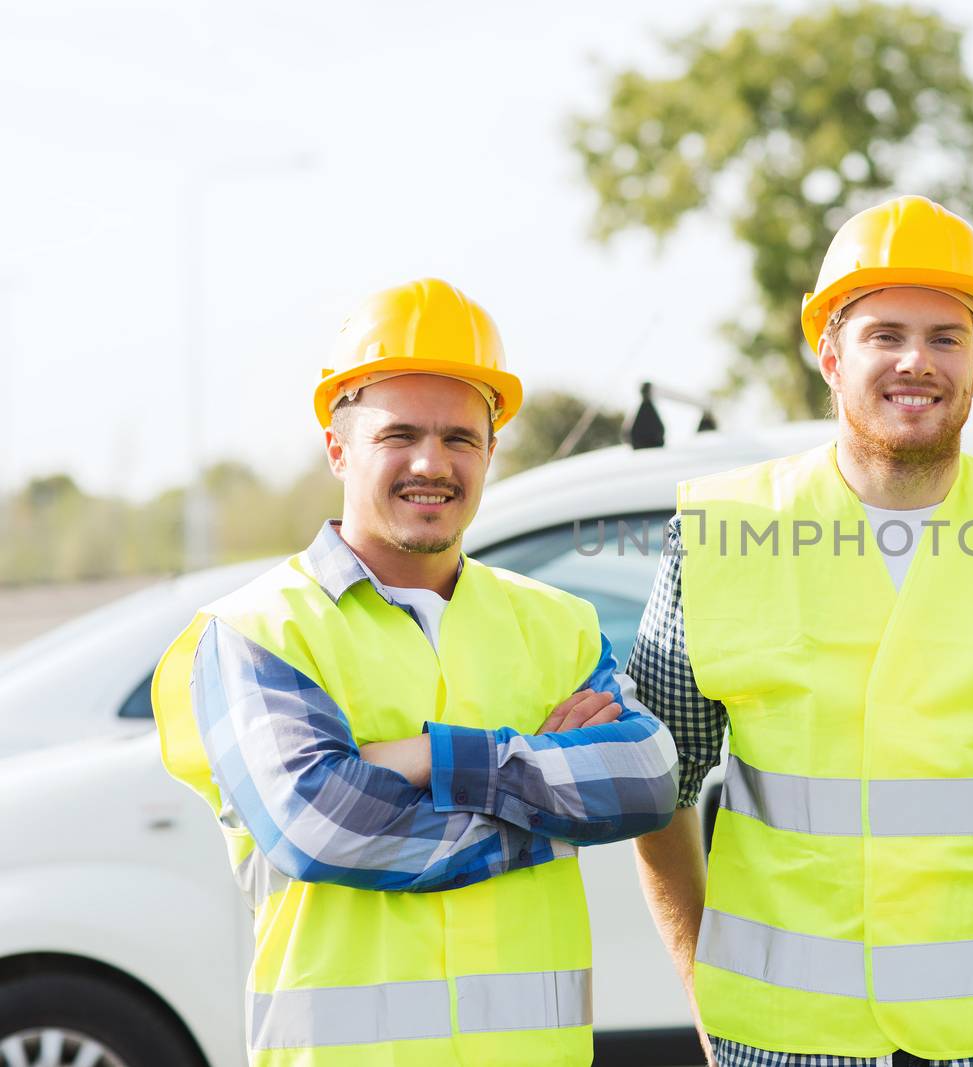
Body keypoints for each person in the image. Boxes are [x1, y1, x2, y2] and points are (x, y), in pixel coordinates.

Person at [629, 195, 973, 1067]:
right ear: (830, 354)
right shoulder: (719, 534)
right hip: (781, 1044)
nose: (916, 362)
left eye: (945, 337)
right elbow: (655, 791)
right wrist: (710, 1003)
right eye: (884, 333)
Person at [150, 277, 679, 1066]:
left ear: (492, 452)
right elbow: (328, 826)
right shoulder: (260, 632)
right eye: (399, 434)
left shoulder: (557, 622)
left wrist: (432, 758)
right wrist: (552, 803)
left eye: (461, 438)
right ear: (339, 446)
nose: (432, 462)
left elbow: (647, 780)